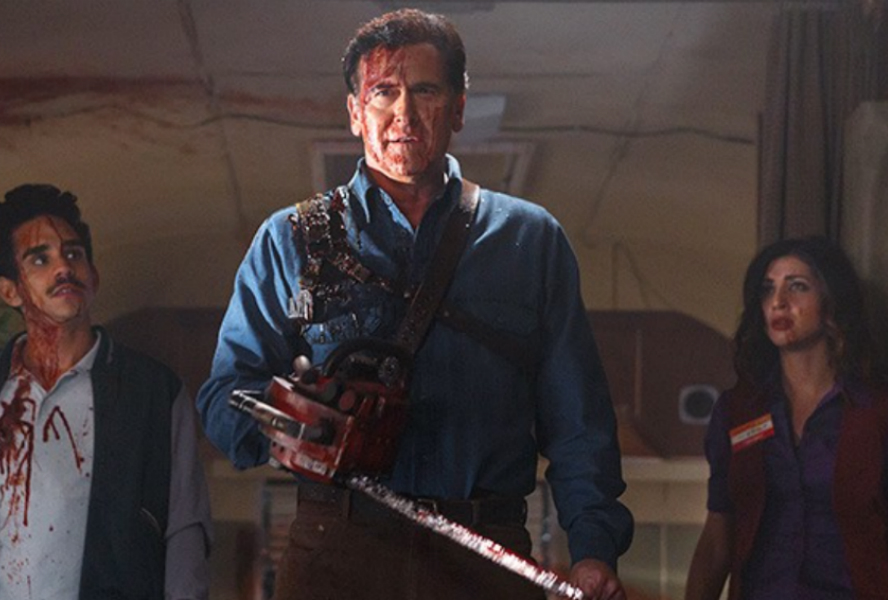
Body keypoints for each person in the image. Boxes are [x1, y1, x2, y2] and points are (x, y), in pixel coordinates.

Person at [198, 8, 631, 600]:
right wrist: (290, 422)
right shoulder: (290, 239)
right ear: (355, 112)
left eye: (425, 91)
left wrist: (594, 549)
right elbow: (224, 398)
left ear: (458, 109)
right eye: (383, 93)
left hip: (485, 556)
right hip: (336, 550)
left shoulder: (531, 241)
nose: (403, 113)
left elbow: (579, 422)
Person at [0, 184, 213, 600]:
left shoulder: (153, 392)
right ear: (10, 290)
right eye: (40, 259)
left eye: (74, 254)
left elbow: (185, 528)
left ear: (93, 275)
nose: (64, 267)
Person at [684, 236, 888, 600]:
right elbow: (716, 539)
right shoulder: (737, 411)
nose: (778, 301)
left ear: (831, 302)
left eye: (797, 286)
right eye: (768, 289)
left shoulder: (886, 414)